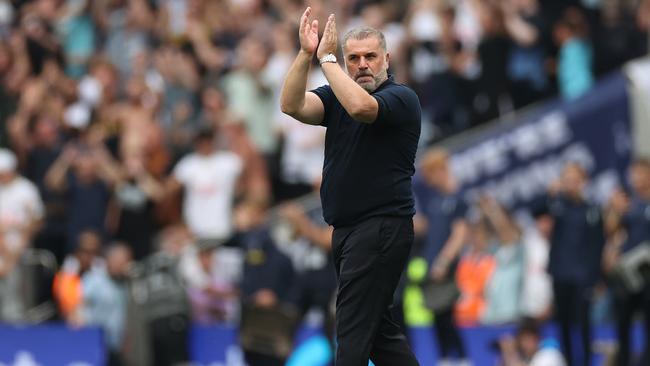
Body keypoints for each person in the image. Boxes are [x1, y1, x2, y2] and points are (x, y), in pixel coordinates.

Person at [280, 7, 421, 365]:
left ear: (386, 59)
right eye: (353, 58)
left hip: (380, 226)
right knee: (379, 334)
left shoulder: (400, 97)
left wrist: (328, 59)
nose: (361, 65)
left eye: (370, 57)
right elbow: (291, 104)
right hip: (348, 231)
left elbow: (362, 108)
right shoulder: (338, 96)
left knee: (352, 330)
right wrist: (304, 55)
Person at [540, 162, 605, 366]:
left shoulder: (591, 209)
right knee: (563, 323)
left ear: (583, 181)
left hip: (583, 276)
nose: (571, 183)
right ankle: (567, 360)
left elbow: (597, 245)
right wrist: (549, 194)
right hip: (561, 274)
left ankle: (586, 361)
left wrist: (596, 277)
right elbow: (535, 211)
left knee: (584, 323)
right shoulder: (557, 205)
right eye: (567, 178)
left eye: (575, 179)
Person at [412, 149, 469, 364]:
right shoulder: (435, 199)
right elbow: (426, 229)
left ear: (441, 171)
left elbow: (460, 234)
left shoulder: (458, 198)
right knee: (436, 317)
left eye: (430, 174)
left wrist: (444, 261)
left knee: (447, 318)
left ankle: (462, 359)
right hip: (431, 267)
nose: (428, 180)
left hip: (444, 269)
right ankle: (445, 359)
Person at [605, 158, 650, 366]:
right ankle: (624, 360)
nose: (636, 179)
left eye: (640, 174)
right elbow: (611, 230)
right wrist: (615, 209)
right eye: (633, 174)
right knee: (623, 320)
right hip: (628, 271)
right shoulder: (628, 203)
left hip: (648, 271)